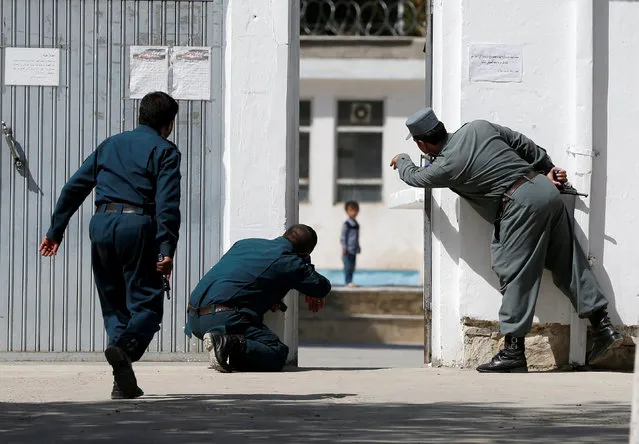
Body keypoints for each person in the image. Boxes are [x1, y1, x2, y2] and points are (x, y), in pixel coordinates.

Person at [390, 107, 623, 373]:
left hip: (518, 205)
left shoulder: (446, 167)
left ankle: (513, 351)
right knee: (568, 262)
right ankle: (604, 328)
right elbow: (523, 143)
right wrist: (548, 168)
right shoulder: (477, 127)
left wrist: (403, 159)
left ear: (421, 143)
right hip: (545, 189)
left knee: (514, 271)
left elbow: (415, 177)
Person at [40, 92, 181, 398]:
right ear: (169, 124)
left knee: (114, 302)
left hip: (102, 225)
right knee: (146, 303)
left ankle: (122, 381)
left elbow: (74, 187)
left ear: (140, 115)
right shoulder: (165, 151)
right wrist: (167, 249)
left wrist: (56, 231)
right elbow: (167, 205)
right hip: (137, 226)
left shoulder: (111, 145)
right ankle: (125, 349)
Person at [185, 224, 331, 373]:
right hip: (222, 320)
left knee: (247, 355)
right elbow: (322, 286)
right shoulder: (288, 261)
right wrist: (307, 265)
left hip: (194, 318)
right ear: (305, 252)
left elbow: (244, 277)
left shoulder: (245, 243)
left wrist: (272, 294)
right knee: (276, 353)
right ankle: (226, 343)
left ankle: (226, 348)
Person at [341, 200, 361, 287]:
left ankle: (350, 281)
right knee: (348, 267)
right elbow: (343, 237)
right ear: (347, 211)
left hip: (353, 250)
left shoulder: (356, 224)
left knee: (352, 267)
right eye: (351, 210)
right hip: (347, 250)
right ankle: (347, 282)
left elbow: (356, 237)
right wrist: (344, 247)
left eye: (355, 210)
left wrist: (358, 246)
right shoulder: (347, 224)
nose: (354, 212)